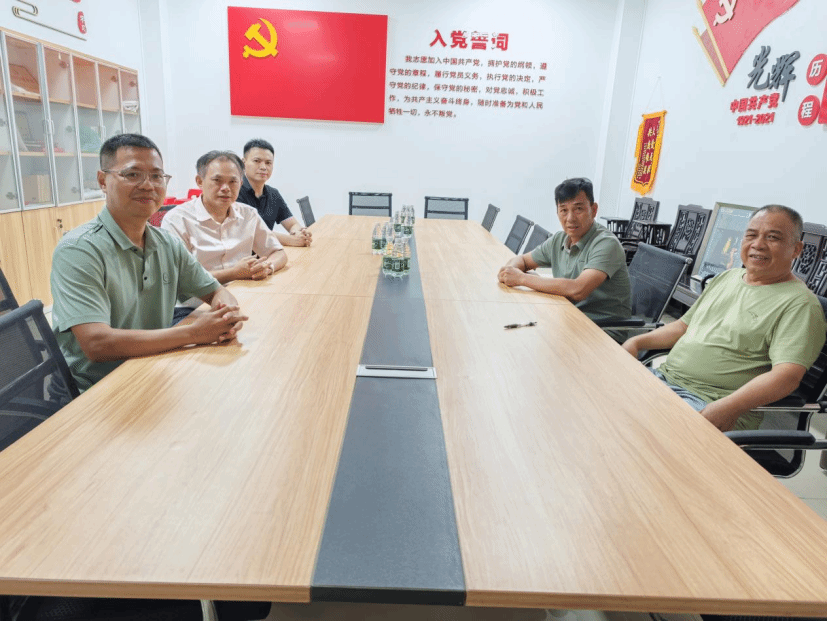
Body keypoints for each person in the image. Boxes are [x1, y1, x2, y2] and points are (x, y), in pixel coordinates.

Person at [50, 134, 248, 392]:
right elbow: (97, 343)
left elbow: (215, 290)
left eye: (156, 176)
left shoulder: (167, 243)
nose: (148, 185)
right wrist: (194, 333)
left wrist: (226, 316)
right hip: (97, 390)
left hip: (154, 369)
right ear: (102, 181)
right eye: (132, 174)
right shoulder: (79, 250)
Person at [623, 205, 826, 432]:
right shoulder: (727, 278)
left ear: (797, 249)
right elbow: (682, 326)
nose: (758, 244)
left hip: (710, 403)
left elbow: (786, 377)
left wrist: (729, 407)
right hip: (664, 379)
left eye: (773, 237)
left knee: (632, 430)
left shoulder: (800, 304)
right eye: (751, 235)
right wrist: (636, 342)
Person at [161, 150, 288, 324]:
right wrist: (234, 273)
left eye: (233, 182)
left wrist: (267, 267)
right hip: (193, 308)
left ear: (241, 183)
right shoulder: (177, 220)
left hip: (244, 296)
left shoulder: (248, 214)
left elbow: (278, 252)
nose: (226, 188)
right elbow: (181, 280)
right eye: (217, 181)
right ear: (199, 181)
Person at [497, 177, 631, 323]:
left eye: (578, 209)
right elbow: (523, 260)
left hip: (601, 327)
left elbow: (578, 290)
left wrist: (521, 278)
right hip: (567, 315)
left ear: (593, 210)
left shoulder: (606, 243)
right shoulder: (559, 239)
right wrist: (510, 272)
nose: (570, 218)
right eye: (564, 210)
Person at [237, 138, 312, 247]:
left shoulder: (273, 194)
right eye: (257, 161)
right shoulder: (234, 191)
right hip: (244, 255)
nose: (263, 167)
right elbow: (250, 232)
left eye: (268, 163)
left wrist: (299, 233)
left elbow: (292, 224)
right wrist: (291, 240)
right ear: (243, 163)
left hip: (269, 253)